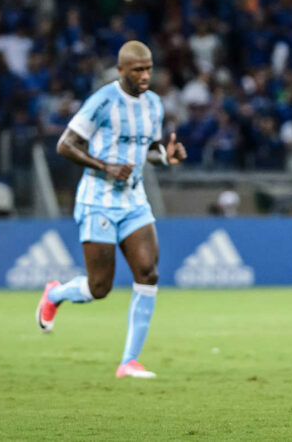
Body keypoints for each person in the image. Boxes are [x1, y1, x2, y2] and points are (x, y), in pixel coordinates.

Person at [35, 41, 187, 379]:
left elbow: (145, 149)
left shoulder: (154, 105)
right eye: (138, 70)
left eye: (149, 68)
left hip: (133, 201)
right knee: (98, 287)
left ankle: (129, 361)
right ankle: (56, 293)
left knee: (148, 273)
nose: (145, 75)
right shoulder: (103, 101)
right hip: (97, 200)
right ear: (121, 71)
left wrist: (166, 156)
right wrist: (105, 166)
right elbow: (65, 145)